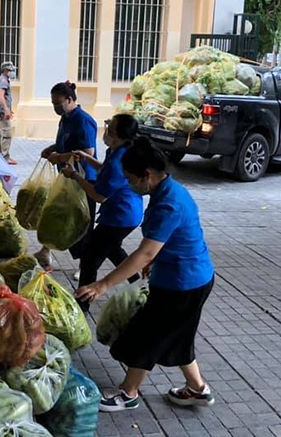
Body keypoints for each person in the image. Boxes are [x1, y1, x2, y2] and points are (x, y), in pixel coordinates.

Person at [75, 137, 215, 412]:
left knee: (145, 336)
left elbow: (144, 253)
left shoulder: (168, 203)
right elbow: (168, 241)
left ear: (147, 175)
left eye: (130, 179)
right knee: (178, 335)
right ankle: (198, 389)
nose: (129, 185)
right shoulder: (168, 190)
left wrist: (103, 284)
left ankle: (128, 393)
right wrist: (156, 260)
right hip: (193, 278)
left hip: (182, 284)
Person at [58, 114, 143, 312]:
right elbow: (104, 170)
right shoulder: (118, 151)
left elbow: (98, 196)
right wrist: (88, 159)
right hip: (126, 214)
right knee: (112, 248)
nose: (106, 133)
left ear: (122, 137)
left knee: (90, 256)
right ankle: (138, 284)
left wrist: (75, 176)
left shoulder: (119, 160)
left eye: (111, 131)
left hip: (120, 216)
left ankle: (82, 304)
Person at [36, 81, 97, 269]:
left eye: (58, 103)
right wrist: (52, 149)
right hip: (67, 175)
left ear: (70, 100)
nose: (55, 107)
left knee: (81, 223)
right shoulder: (65, 118)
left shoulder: (83, 120)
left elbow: (88, 152)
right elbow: (65, 143)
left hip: (83, 179)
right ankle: (46, 251)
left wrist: (61, 156)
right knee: (56, 213)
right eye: (53, 103)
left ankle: (85, 266)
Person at [0, 61, 18, 165]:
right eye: (11, 70)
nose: (13, 72)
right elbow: (1, 96)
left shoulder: (1, 79)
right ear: (6, 70)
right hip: (1, 112)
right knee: (6, 134)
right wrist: (6, 110)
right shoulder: (3, 81)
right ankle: (5, 157)